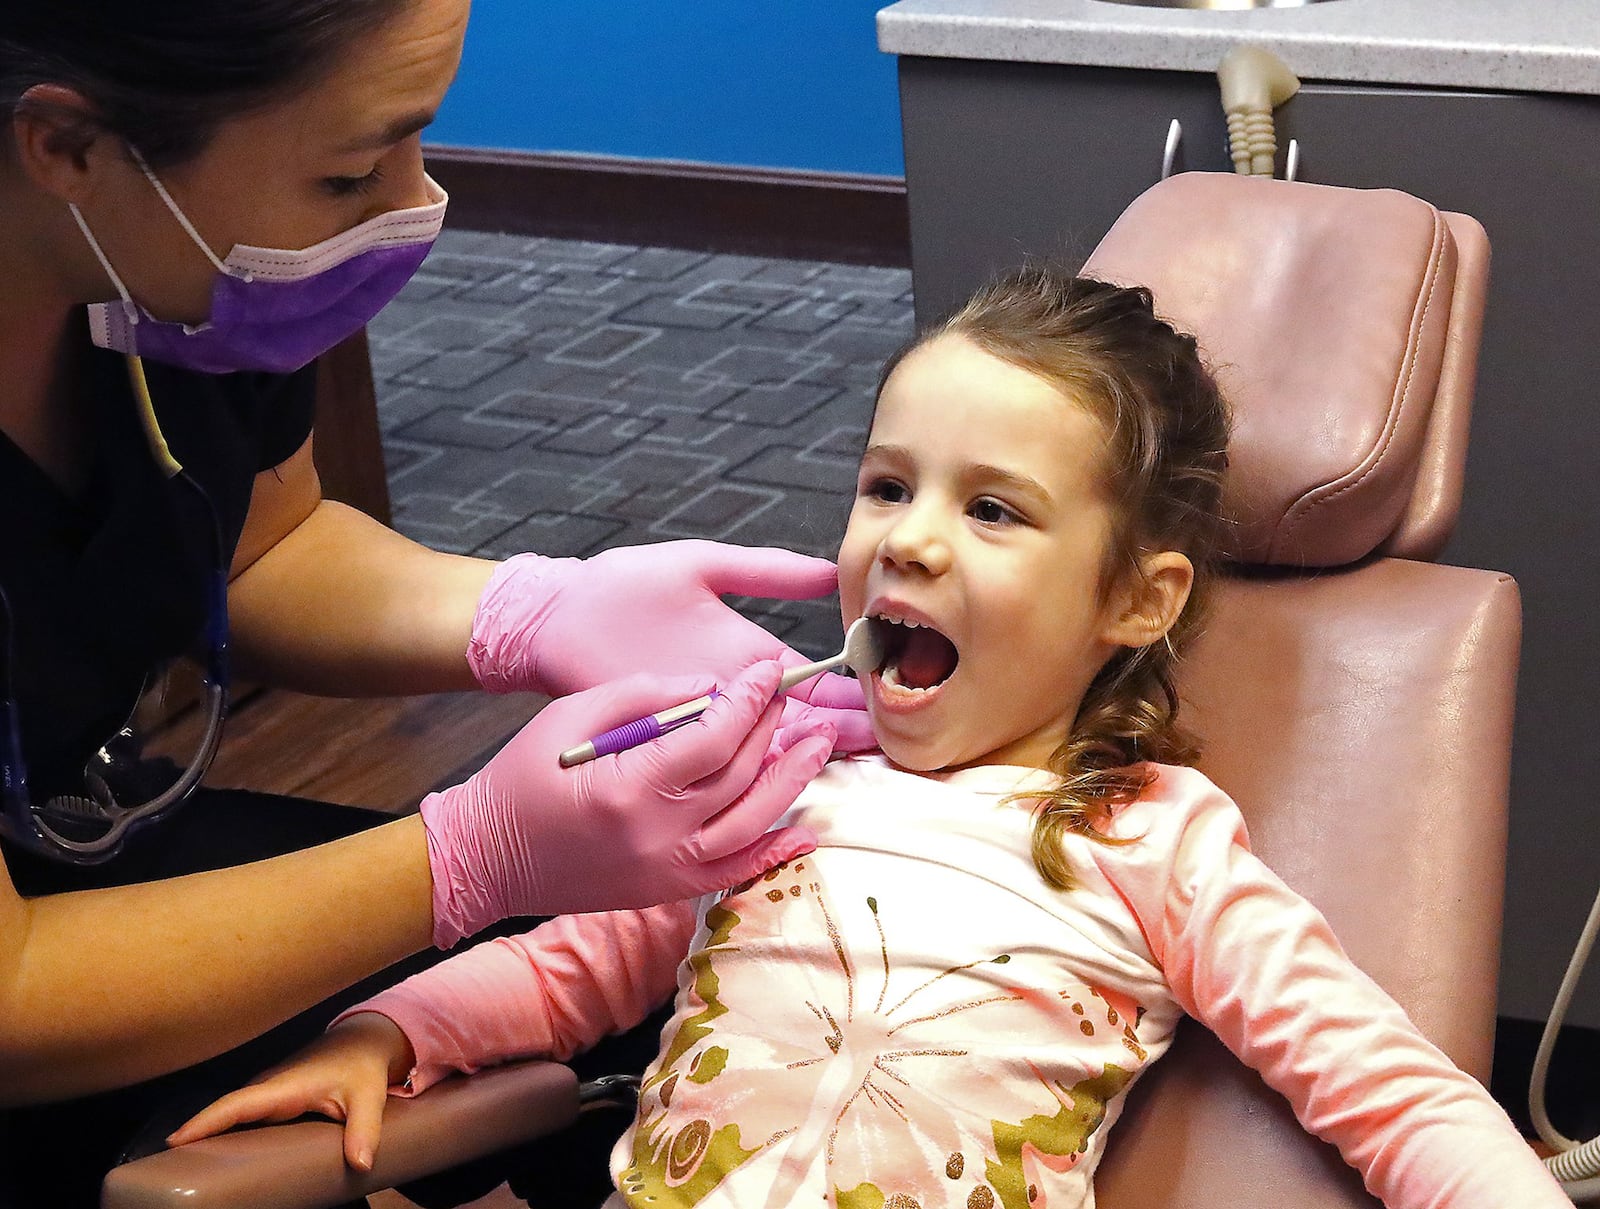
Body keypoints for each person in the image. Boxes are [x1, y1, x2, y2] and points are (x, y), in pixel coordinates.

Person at [174, 266, 1571, 1208]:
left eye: (993, 510)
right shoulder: (766, 792)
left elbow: (1393, 1093)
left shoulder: (1147, 841)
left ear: (1136, 600)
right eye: (889, 484)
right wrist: (384, 1035)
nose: (906, 537)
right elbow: (561, 976)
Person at [0, 2, 869, 1205]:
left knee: (696, 973)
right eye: (352, 171)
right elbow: (14, 990)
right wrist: (470, 855)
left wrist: (528, 610)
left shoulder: (169, 285)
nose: (411, 205)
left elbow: (263, 546)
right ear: (71, 150)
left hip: (81, 861)